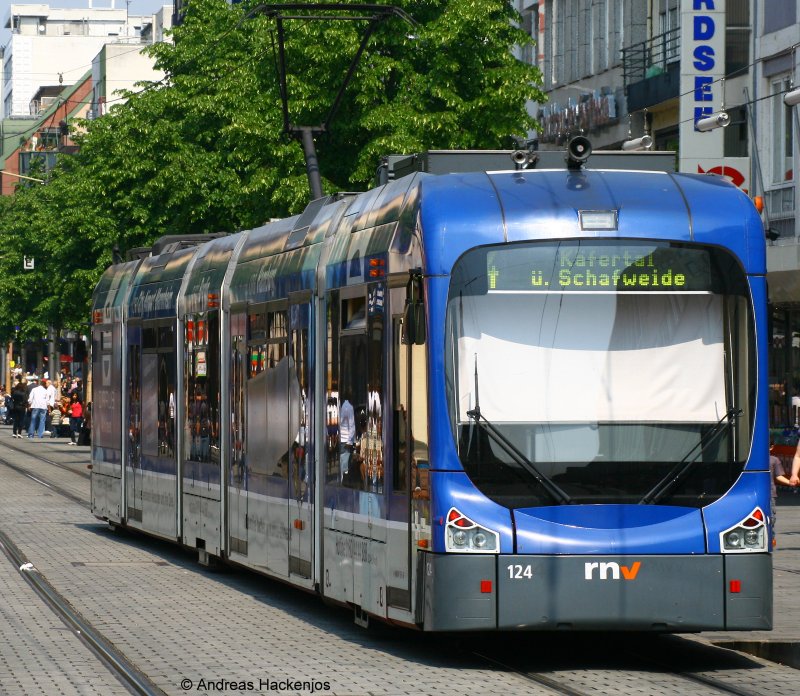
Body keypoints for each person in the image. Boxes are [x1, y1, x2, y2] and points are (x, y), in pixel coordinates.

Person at [339, 392, 355, 483]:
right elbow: (352, 425)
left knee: (343, 466)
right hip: (345, 441)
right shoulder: (348, 407)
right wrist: (350, 441)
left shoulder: (342, 406)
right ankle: (343, 484)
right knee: (344, 467)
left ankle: (342, 483)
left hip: (342, 440)